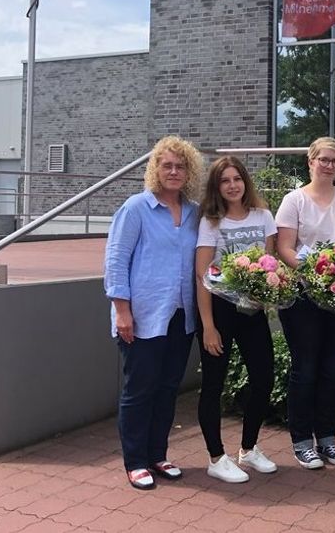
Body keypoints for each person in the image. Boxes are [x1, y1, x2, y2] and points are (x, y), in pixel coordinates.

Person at [104, 135, 204, 490]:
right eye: (167, 165)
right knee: (140, 390)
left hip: (182, 315)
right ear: (155, 170)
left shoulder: (194, 212)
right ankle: (135, 461)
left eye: (181, 166)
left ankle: (157, 454)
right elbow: (116, 261)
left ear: (188, 172)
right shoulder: (136, 209)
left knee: (167, 388)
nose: (174, 171)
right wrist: (122, 311)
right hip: (144, 315)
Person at [275, 137, 335, 470]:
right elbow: (284, 248)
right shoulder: (293, 200)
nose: (329, 165)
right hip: (302, 296)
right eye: (323, 159)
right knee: (306, 369)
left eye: (334, 161)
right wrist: (318, 272)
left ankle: (327, 439)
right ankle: (302, 442)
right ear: (310, 162)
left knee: (330, 368)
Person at [195, 156, 278, 483]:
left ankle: (248, 448)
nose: (232, 185)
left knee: (264, 378)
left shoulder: (263, 216)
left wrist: (268, 295)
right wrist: (208, 326)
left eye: (236, 179)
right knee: (213, 385)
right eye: (224, 181)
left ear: (245, 181)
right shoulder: (210, 221)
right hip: (219, 310)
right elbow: (201, 276)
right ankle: (216, 457)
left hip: (252, 310)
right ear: (217, 187)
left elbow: (270, 264)